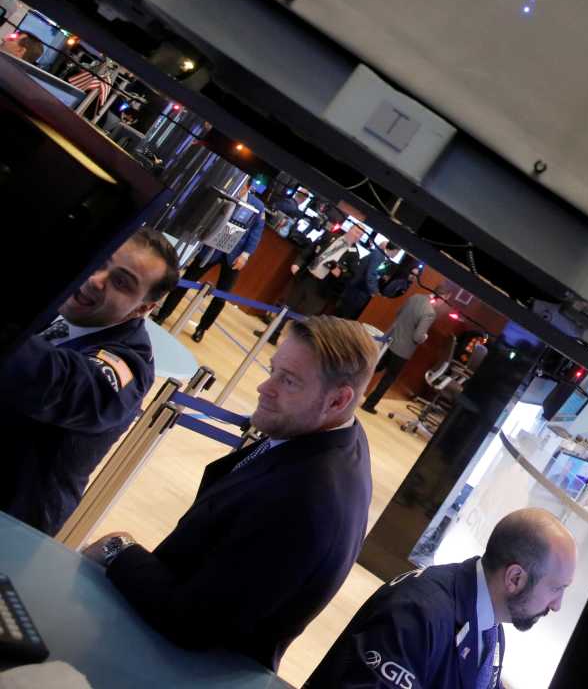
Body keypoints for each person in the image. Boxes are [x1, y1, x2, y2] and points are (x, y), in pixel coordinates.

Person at [84, 316, 377, 671]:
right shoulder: (330, 435)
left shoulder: (306, 500)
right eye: (273, 370)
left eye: (288, 381)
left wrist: (119, 550)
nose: (264, 388)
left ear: (339, 400)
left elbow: (192, 622)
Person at [0, 228, 179, 535]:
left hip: (13, 521)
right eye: (101, 262)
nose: (97, 279)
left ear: (142, 308)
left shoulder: (128, 367)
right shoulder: (62, 299)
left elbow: (57, 384)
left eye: (121, 282)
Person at [303, 508, 577, 689]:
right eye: (556, 589)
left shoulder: (491, 628)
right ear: (515, 578)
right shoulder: (416, 614)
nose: (557, 605)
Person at [153, 180, 267, 343]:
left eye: (243, 187)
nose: (239, 189)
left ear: (248, 188)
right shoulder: (226, 192)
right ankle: (163, 314)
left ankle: (202, 329)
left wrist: (245, 255)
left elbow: (256, 233)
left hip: (235, 254)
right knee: (187, 280)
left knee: (221, 296)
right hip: (210, 248)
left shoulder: (258, 206)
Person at [260, 224, 364, 345]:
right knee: (286, 307)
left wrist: (339, 273)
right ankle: (270, 334)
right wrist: (298, 263)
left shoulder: (354, 255)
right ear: (350, 229)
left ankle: (292, 346)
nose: (357, 235)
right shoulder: (330, 236)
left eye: (360, 235)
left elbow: (351, 277)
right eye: (356, 231)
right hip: (307, 277)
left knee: (304, 318)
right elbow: (310, 249)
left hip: (321, 289)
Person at [361, 289, 439, 413]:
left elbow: (398, 312)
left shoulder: (415, 296)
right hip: (403, 351)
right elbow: (417, 337)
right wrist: (424, 337)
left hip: (391, 341)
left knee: (374, 367)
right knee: (388, 378)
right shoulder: (429, 312)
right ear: (444, 296)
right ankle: (369, 405)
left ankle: (349, 386)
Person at [334, 240, 403, 320]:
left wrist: (382, 275)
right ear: (394, 250)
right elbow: (371, 275)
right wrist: (376, 292)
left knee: (347, 314)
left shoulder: (384, 257)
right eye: (398, 252)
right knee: (345, 313)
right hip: (358, 289)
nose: (397, 254)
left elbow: (376, 272)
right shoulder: (379, 255)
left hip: (361, 288)